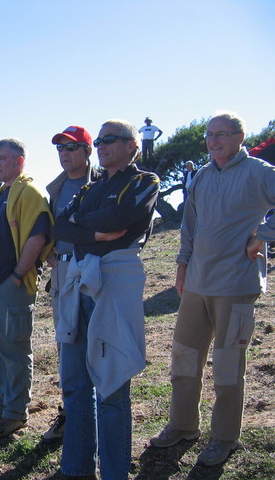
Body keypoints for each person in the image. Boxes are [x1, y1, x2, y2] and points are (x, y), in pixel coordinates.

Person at [150, 111, 275, 466]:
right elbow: (189, 226)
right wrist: (182, 267)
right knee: (184, 358)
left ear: (239, 137)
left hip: (236, 284)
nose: (213, 140)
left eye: (222, 133)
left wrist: (262, 236)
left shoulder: (260, 173)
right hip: (196, 284)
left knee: (227, 365)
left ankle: (223, 438)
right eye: (209, 134)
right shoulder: (202, 176)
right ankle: (183, 425)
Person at [54, 120, 159, 479]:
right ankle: (76, 468)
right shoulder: (92, 187)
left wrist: (85, 228)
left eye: (109, 139)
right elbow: (61, 226)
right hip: (80, 280)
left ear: (133, 145)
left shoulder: (145, 182)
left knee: (111, 386)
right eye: (98, 140)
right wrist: (97, 231)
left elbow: (123, 220)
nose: (101, 145)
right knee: (75, 382)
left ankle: (114, 473)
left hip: (114, 284)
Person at [0, 138, 53, 437]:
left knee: (13, 348)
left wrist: (18, 274)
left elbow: (38, 236)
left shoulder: (28, 192)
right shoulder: (2, 193)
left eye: (2, 158)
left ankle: (16, 412)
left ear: (20, 161)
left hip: (10, 283)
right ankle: (0, 405)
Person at [42, 125, 101, 443]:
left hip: (93, 273)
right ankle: (70, 414)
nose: (64, 154)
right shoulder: (56, 188)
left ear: (87, 151)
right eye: (60, 149)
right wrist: (47, 248)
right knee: (66, 345)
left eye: (71, 148)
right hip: (62, 275)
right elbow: (50, 227)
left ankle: (94, 415)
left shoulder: (103, 184)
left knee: (96, 342)